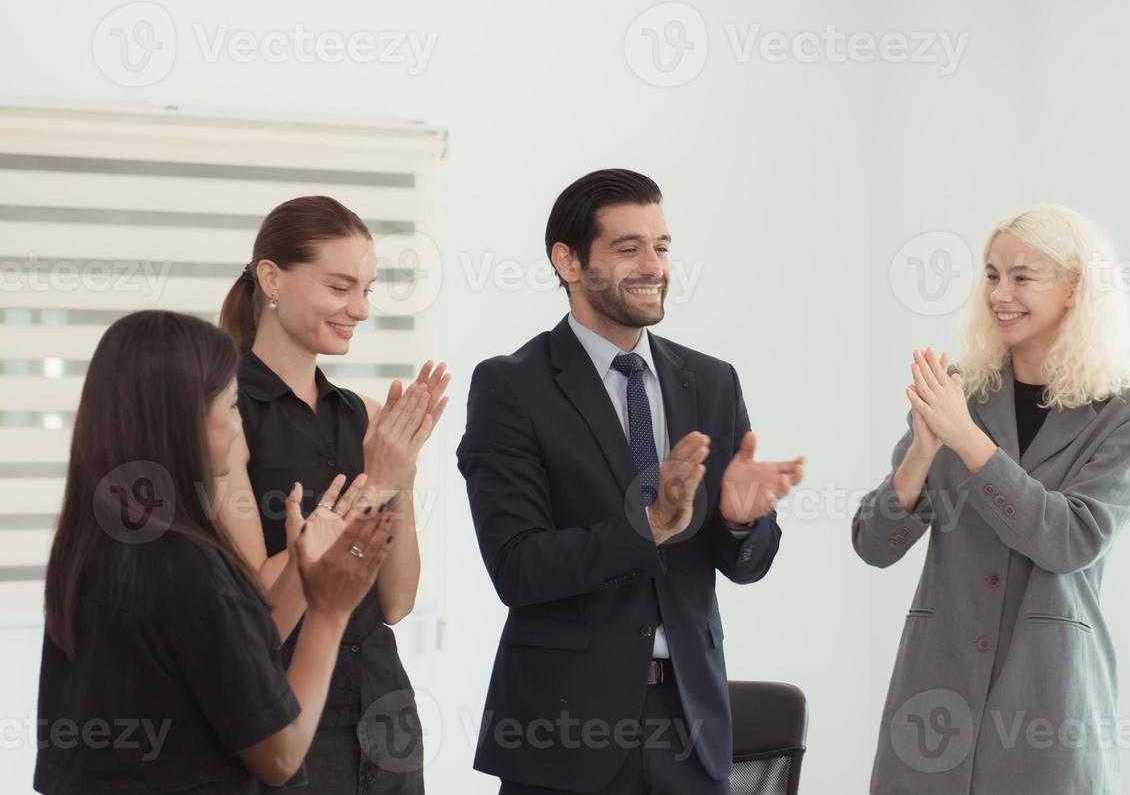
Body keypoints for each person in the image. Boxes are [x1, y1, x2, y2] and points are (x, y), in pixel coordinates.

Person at [458, 168, 805, 794]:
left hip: (690, 730)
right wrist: (646, 527)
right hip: (562, 733)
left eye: (662, 246)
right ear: (568, 261)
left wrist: (739, 520)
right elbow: (516, 567)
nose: (654, 265)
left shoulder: (712, 381)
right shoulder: (512, 387)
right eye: (628, 248)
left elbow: (747, 565)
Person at [853, 205, 1130, 795]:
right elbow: (874, 545)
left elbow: (1068, 539)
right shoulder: (960, 390)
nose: (1000, 293)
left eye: (1022, 276)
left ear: (1075, 287)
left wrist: (966, 439)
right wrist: (922, 453)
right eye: (991, 273)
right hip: (934, 689)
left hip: (1048, 692)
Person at [34, 310, 394, 794]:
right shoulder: (184, 563)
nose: (238, 426)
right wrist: (331, 611)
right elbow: (281, 755)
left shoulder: (97, 547)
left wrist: (301, 576)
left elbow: (231, 658)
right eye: (230, 406)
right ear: (183, 420)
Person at [216, 195, 450, 794]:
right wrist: (373, 485)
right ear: (271, 277)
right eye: (341, 287)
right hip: (286, 721)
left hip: (387, 716)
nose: (360, 309)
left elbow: (395, 603)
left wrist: (398, 479)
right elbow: (255, 612)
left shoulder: (367, 418)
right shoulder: (222, 418)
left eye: (368, 290)